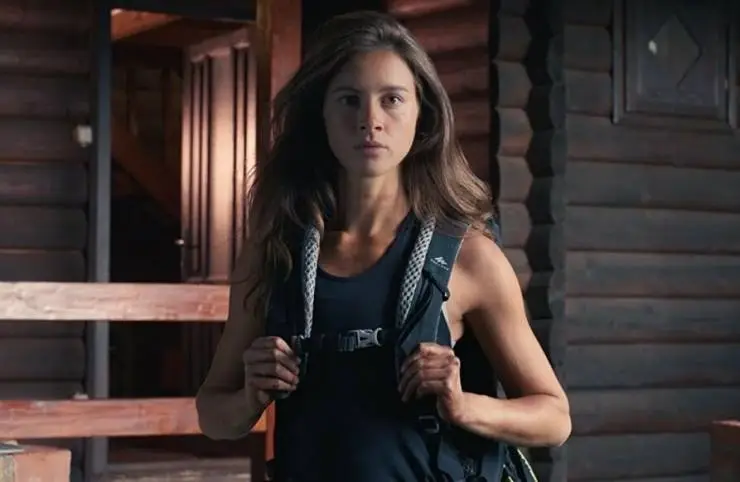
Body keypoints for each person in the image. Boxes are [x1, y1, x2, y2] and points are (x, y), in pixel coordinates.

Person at [195, 10, 570, 482]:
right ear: (320, 114)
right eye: (349, 100)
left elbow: (554, 418)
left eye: (391, 99)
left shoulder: (469, 257)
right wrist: (250, 395)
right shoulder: (274, 255)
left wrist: (463, 405)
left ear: (421, 115)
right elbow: (214, 416)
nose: (370, 121)